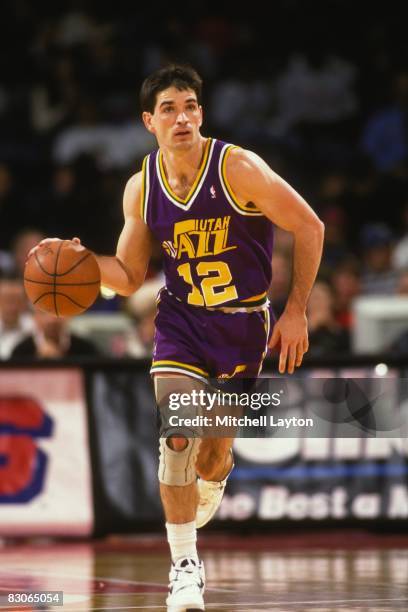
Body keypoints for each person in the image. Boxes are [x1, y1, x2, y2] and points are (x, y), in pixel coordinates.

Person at [29, 64, 324, 612]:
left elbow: (310, 226)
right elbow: (129, 273)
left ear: (201, 114)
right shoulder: (142, 187)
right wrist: (83, 263)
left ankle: (215, 471)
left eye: (190, 106)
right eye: (169, 109)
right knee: (178, 432)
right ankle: (185, 570)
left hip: (243, 326)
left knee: (210, 460)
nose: (182, 117)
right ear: (149, 121)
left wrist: (297, 311)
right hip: (182, 322)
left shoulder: (238, 167)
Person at [11, 308, 100, 359]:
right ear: (35, 318)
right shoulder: (20, 351)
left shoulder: (86, 349)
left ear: (69, 316)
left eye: (58, 312)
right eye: (44, 313)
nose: (52, 319)